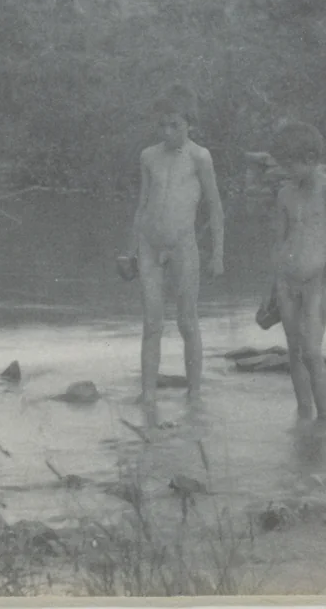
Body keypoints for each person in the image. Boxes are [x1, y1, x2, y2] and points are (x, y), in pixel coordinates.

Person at [124, 83, 225, 424]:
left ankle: (194, 393)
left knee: (187, 320)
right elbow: (142, 204)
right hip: (149, 245)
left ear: (189, 123)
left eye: (175, 126)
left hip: (183, 245)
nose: (168, 132)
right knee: (152, 322)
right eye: (162, 125)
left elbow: (214, 206)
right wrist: (131, 250)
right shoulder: (148, 156)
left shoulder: (200, 157)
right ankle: (148, 393)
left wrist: (218, 253)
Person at [268, 121, 326, 424]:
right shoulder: (285, 193)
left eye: (291, 164)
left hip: (316, 282)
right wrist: (271, 288)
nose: (286, 171)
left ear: (311, 158)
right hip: (287, 281)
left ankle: (325, 421)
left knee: (312, 351)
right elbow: (278, 241)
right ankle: (304, 416)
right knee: (294, 352)